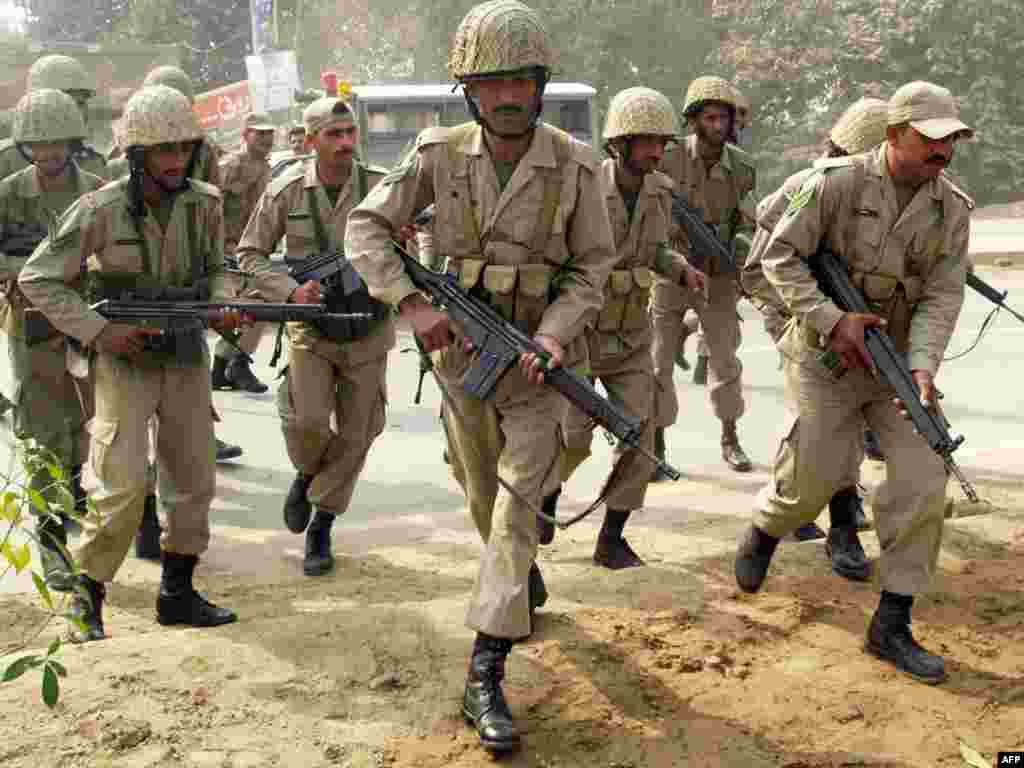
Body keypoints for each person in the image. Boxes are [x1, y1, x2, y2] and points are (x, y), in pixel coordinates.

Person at [345, 0, 616, 753]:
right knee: (483, 498)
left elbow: (594, 268)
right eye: (491, 83)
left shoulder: (577, 165)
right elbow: (366, 228)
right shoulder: (436, 154)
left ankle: (485, 671)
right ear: (469, 89)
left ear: (540, 83)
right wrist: (409, 304)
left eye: (520, 81)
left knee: (516, 506)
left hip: (535, 362)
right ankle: (514, 579)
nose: (507, 97)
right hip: (461, 359)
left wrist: (556, 337)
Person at [734, 81, 974, 684]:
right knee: (816, 472)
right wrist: (832, 320)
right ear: (896, 135)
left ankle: (891, 623)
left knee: (923, 476)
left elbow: (943, 296)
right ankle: (768, 526)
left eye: (952, 142)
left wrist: (921, 368)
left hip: (894, 360)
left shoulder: (952, 209)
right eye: (932, 140)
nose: (944, 154)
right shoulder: (834, 183)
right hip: (825, 355)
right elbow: (778, 257)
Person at [20, 84, 242, 642]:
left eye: (183, 150)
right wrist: (102, 333)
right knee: (119, 488)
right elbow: (38, 278)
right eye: (162, 151)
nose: (175, 161)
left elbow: (221, 267)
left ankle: (178, 592)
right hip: (125, 361)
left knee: (193, 481)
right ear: (137, 155)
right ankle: (86, 596)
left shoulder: (206, 204)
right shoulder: (99, 208)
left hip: (186, 355)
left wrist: (222, 302)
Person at [234, 97, 393, 578]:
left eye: (350, 133)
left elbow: (417, 243)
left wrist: (403, 245)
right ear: (310, 141)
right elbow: (250, 253)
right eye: (333, 135)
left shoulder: (382, 187)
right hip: (312, 331)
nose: (345, 143)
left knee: (360, 431)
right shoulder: (286, 191)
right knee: (307, 424)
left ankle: (322, 522)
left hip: (368, 327)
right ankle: (307, 473)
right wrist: (289, 290)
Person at [550, 86, 705, 568]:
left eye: (662, 142)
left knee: (641, 435)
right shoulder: (584, 186)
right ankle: (545, 499)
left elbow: (653, 249)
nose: (656, 152)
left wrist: (678, 266)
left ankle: (612, 537)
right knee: (571, 437)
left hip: (633, 335)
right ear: (619, 144)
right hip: (583, 335)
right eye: (645, 142)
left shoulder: (660, 191)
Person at [741, 97, 888, 565]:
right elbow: (759, 271)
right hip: (801, 321)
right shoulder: (804, 188)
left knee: (850, 424)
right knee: (816, 428)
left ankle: (841, 525)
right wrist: (808, 318)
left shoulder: (886, 196)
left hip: (860, 325)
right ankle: (803, 511)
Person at [1, 89, 105, 590]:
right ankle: (50, 541)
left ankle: (78, 519)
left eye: (57, 144)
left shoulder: (97, 189)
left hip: (87, 326)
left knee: (86, 433)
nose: (48, 155)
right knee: (42, 435)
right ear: (24, 148)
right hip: (34, 331)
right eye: (37, 146)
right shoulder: (9, 193)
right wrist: (26, 271)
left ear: (72, 141)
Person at [651, 76, 756, 477]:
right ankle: (657, 443)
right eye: (709, 118)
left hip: (717, 276)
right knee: (658, 361)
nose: (718, 126)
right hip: (670, 271)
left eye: (724, 119)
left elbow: (745, 222)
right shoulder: (669, 157)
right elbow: (649, 207)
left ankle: (730, 437)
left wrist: (739, 258)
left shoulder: (743, 167)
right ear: (693, 120)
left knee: (725, 360)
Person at [210, 112, 276, 394]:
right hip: (227, 250)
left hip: (251, 250)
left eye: (269, 134)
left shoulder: (265, 168)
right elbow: (208, 206)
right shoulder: (231, 165)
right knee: (258, 304)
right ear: (245, 135)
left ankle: (222, 366)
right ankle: (235, 363)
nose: (266, 139)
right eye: (259, 133)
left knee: (255, 305)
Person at [0, 55, 107, 181]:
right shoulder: (7, 159)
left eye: (81, 103)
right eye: (67, 103)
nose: (77, 112)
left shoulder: (94, 163)